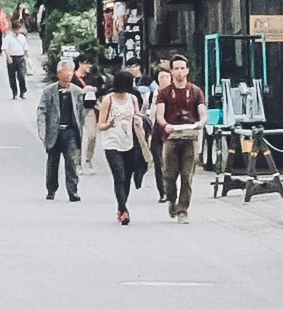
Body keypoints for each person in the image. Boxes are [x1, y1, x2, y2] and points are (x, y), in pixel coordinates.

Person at [151, 57, 204, 219]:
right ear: (172, 71)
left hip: (190, 137)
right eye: (176, 68)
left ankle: (183, 208)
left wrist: (201, 123)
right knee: (169, 174)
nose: (180, 72)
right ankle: (171, 199)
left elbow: (202, 112)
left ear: (187, 70)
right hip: (171, 137)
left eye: (182, 68)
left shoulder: (195, 91)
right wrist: (165, 125)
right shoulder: (164, 93)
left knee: (187, 175)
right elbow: (160, 115)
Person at [93, 74, 147, 224]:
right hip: (111, 143)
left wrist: (139, 122)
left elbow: (137, 116)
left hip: (129, 142)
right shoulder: (108, 100)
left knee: (128, 177)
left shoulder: (133, 99)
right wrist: (109, 124)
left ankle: (121, 205)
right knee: (119, 176)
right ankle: (123, 210)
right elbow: (100, 124)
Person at [38, 57, 86, 201]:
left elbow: (81, 111)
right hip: (54, 131)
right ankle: (51, 189)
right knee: (53, 162)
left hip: (70, 131)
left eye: (71, 72)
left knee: (71, 162)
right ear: (59, 73)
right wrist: (42, 128)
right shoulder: (49, 91)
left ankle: (73, 191)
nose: (69, 75)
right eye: (66, 73)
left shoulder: (77, 91)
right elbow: (42, 110)